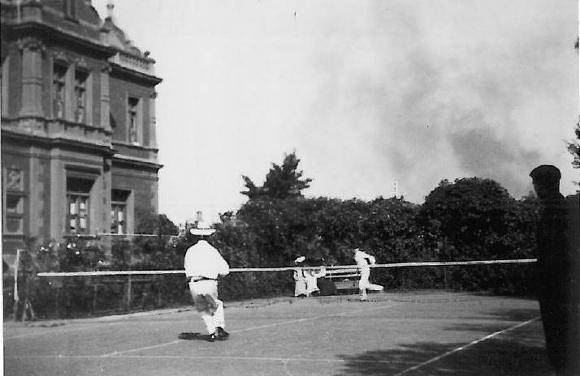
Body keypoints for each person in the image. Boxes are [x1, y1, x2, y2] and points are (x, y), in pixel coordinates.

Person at [530, 165, 579, 376]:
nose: (535, 188)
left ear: (542, 185)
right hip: (557, 288)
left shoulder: (556, 212)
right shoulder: (556, 209)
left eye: (536, 183)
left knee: (561, 343)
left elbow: (559, 253)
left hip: (557, 290)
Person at [184, 219, 230, 342]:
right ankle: (219, 326)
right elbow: (225, 270)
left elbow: (186, 268)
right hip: (209, 282)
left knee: (202, 309)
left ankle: (211, 332)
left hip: (193, 283)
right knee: (217, 305)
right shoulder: (212, 251)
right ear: (209, 236)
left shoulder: (190, 251)